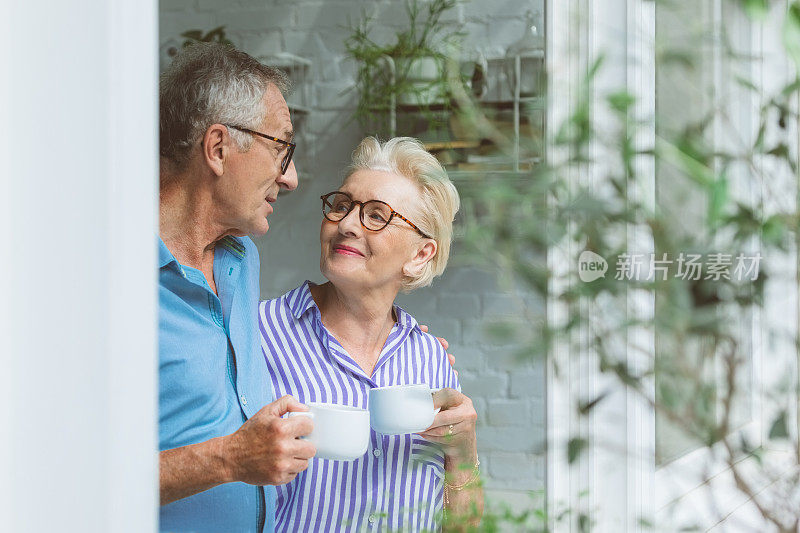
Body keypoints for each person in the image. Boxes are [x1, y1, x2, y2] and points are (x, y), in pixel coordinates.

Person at [259, 137, 484, 532]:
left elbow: (465, 527)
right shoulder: (259, 334)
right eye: (342, 206)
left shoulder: (432, 359)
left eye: (377, 215)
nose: (345, 224)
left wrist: (463, 453)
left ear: (420, 256)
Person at [158, 43, 315, 532]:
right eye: (281, 148)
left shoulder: (240, 259)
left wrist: (399, 341)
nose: (291, 177)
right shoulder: (103, 278)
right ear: (219, 148)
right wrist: (228, 459)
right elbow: (67, 474)